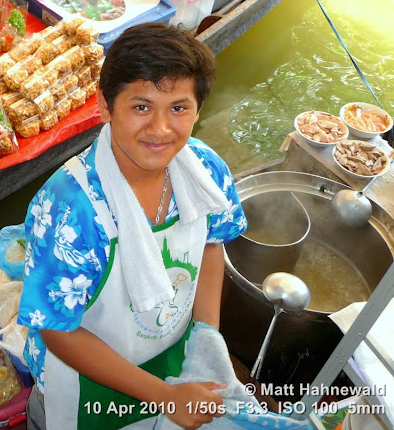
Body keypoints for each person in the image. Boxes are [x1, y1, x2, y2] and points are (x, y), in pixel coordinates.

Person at [17, 22, 247, 430]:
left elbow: (212, 242)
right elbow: (56, 329)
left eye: (178, 108)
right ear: (105, 107)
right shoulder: (72, 209)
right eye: (141, 107)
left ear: (198, 109)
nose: (160, 129)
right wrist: (164, 396)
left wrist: (206, 337)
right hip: (86, 384)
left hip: (173, 357)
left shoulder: (205, 169)